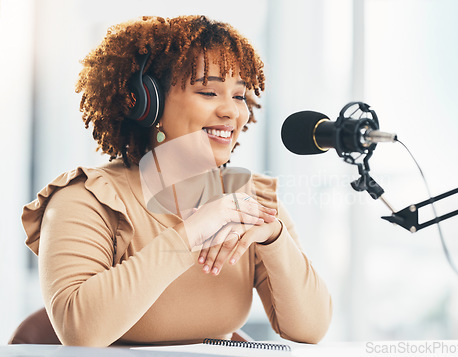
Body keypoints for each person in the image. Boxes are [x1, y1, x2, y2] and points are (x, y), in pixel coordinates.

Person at [21, 15, 332, 347]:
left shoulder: (251, 198)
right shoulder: (87, 199)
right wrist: (192, 233)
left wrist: (274, 239)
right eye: (209, 92)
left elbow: (310, 328)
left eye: (240, 96)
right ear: (147, 104)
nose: (232, 112)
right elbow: (81, 332)